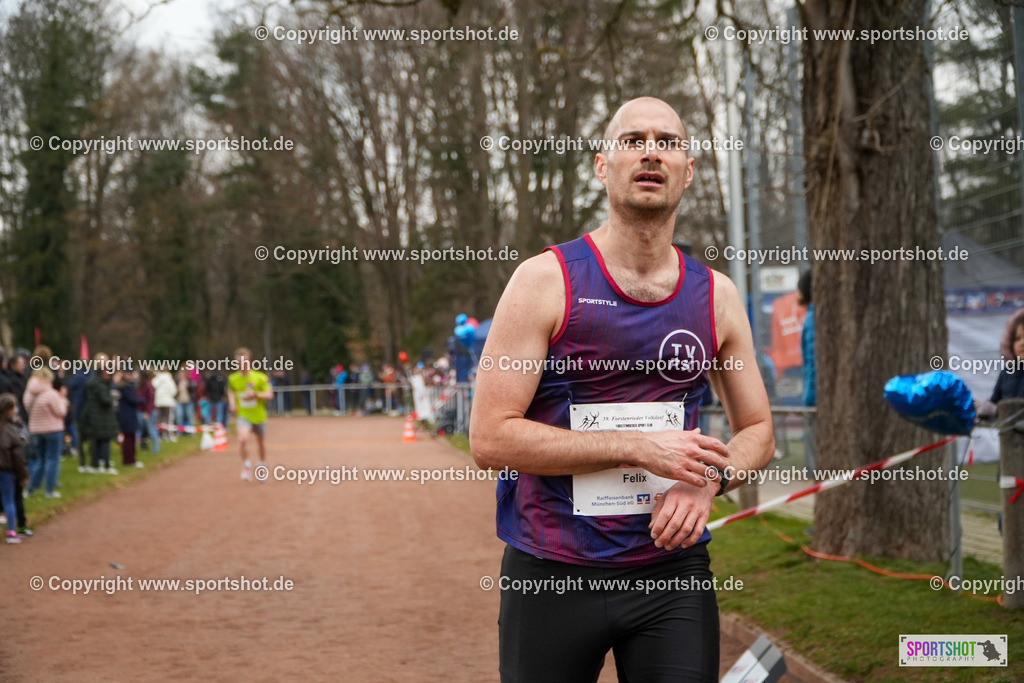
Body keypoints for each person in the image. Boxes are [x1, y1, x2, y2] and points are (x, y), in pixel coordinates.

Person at [470, 97, 774, 682]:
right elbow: (489, 437)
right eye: (633, 140)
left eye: (668, 141)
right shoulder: (545, 281)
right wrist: (635, 446)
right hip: (552, 569)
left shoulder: (718, 296)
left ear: (688, 169)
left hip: (671, 572)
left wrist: (712, 477)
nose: (651, 151)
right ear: (601, 164)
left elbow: (758, 431)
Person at [227, 348, 273, 481]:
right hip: (244, 415)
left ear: (249, 361)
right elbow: (231, 391)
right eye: (239, 362)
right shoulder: (233, 378)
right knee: (242, 439)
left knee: (261, 442)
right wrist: (232, 403)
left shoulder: (260, 377)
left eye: (244, 361)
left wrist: (256, 395)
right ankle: (246, 466)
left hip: (259, 416)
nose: (242, 364)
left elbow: (269, 395)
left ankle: (262, 466)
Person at [24, 366, 69, 498]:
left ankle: (31, 488)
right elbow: (61, 412)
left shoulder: (28, 394)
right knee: (52, 460)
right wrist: (63, 399)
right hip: (53, 430)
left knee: (40, 460)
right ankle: (49, 490)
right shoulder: (51, 394)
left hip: (36, 430)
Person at [80, 354, 120, 475]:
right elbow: (105, 400)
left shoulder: (97, 382)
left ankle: (99, 463)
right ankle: (101, 464)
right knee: (100, 441)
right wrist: (112, 397)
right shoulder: (97, 383)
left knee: (99, 442)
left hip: (99, 417)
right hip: (98, 417)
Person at [0, 393, 29, 544]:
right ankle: (11, 531)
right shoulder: (11, 430)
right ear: (9, 410)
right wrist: (23, 474)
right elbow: (18, 456)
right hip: (6, 470)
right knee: (9, 499)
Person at [797, 269, 817, 472]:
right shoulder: (812, 317)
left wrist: (809, 399)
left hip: (816, 403)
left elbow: (814, 361)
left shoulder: (813, 319)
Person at [116, 371, 145, 468]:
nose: (132, 376)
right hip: (127, 415)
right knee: (129, 439)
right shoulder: (126, 387)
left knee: (130, 438)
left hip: (127, 415)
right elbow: (131, 399)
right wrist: (142, 400)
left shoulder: (125, 386)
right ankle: (130, 461)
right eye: (130, 374)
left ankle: (130, 460)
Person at [152, 369, 177, 441]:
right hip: (168, 402)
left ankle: (159, 435)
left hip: (158, 402)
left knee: (159, 419)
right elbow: (174, 391)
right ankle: (167, 435)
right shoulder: (170, 380)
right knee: (168, 419)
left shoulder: (156, 379)